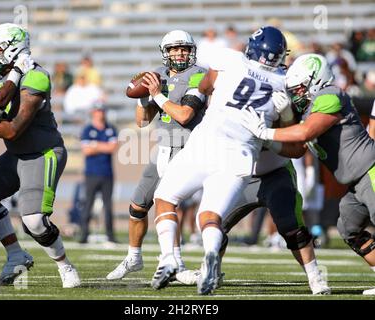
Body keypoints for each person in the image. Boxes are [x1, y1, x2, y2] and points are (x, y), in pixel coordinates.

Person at [151, 26, 290, 295]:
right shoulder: (282, 81)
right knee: (210, 216)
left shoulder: (230, 59)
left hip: (206, 142)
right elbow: (289, 123)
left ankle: (170, 257)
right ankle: (211, 253)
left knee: (166, 197)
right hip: (240, 156)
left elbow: (204, 86)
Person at [238, 53, 375, 295]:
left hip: (370, 172)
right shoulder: (310, 107)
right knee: (349, 228)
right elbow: (297, 149)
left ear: (316, 79)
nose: (295, 95)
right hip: (354, 183)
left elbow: (305, 133)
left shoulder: (331, 94)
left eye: (299, 89)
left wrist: (264, 132)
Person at [0, 23, 80, 288]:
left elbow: (12, 130)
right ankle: (16, 256)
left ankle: (65, 266)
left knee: (34, 222)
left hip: (42, 153)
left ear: (13, 49)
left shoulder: (36, 76)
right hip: (18, 155)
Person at [106, 30, 207, 280]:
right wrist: (143, 99)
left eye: (184, 48)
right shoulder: (157, 76)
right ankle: (133, 257)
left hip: (186, 148)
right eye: (174, 48)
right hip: (163, 148)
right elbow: (142, 122)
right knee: (137, 206)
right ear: (166, 52)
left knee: (167, 204)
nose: (180, 53)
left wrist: (157, 95)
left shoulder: (199, 76)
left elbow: (185, 115)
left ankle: (176, 265)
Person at [176, 148, 331, 295]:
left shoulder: (278, 118)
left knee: (291, 228)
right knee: (214, 224)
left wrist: (272, 138)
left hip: (276, 174)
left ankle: (315, 276)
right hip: (239, 176)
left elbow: (298, 149)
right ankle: (212, 271)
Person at [79, 103, 118, 244]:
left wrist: (95, 145)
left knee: (108, 206)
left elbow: (112, 148)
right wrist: (102, 146)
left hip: (107, 173)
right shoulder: (88, 129)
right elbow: (86, 151)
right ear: (93, 112)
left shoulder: (110, 128)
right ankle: (84, 234)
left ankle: (110, 235)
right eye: (97, 110)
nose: (100, 113)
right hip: (91, 173)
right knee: (88, 204)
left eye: (102, 110)